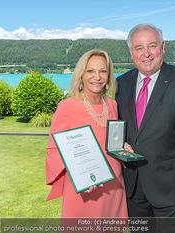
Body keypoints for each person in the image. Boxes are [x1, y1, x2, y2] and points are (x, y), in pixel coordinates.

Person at [115, 24, 175, 232]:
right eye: (139, 48)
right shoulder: (122, 83)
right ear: (131, 53)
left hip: (169, 187)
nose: (146, 53)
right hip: (132, 187)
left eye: (152, 45)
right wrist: (120, 143)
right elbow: (120, 127)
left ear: (163, 47)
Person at [45, 50, 128, 219]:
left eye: (102, 71)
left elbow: (112, 141)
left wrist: (123, 146)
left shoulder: (112, 105)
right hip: (85, 188)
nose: (97, 77)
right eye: (90, 71)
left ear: (109, 75)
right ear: (81, 74)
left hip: (114, 184)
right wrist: (81, 177)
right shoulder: (67, 107)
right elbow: (53, 150)